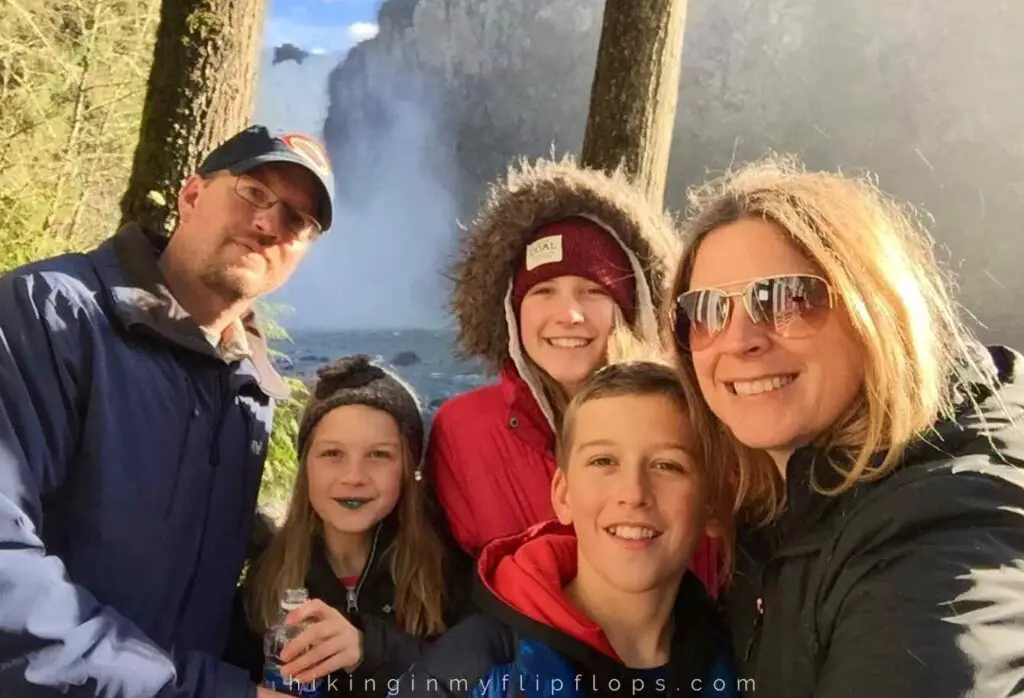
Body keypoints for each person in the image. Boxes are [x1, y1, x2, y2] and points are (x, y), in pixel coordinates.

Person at [668, 154, 1024, 697]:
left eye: (785, 298)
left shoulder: (938, 529)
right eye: (709, 310)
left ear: (874, 309)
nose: (739, 340)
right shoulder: (783, 500)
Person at [0, 125, 335, 698]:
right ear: (192, 194)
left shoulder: (249, 392)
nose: (270, 224)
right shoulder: (48, 315)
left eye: (299, 221)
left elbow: (187, 588)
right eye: (255, 192)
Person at [428, 157, 720, 594]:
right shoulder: (462, 431)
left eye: (593, 291)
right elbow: (444, 584)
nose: (567, 314)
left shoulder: (698, 418)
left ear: (633, 308)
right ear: (511, 313)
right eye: (543, 291)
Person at [388, 360, 737, 698]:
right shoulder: (479, 669)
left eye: (667, 465)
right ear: (564, 494)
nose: (633, 494)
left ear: (712, 507)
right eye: (604, 461)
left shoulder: (741, 659)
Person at [223, 355, 474, 696]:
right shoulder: (265, 575)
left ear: (408, 468)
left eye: (379, 455)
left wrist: (369, 650)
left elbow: (477, 685)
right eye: (332, 454)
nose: (354, 477)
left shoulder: (448, 572)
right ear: (305, 466)